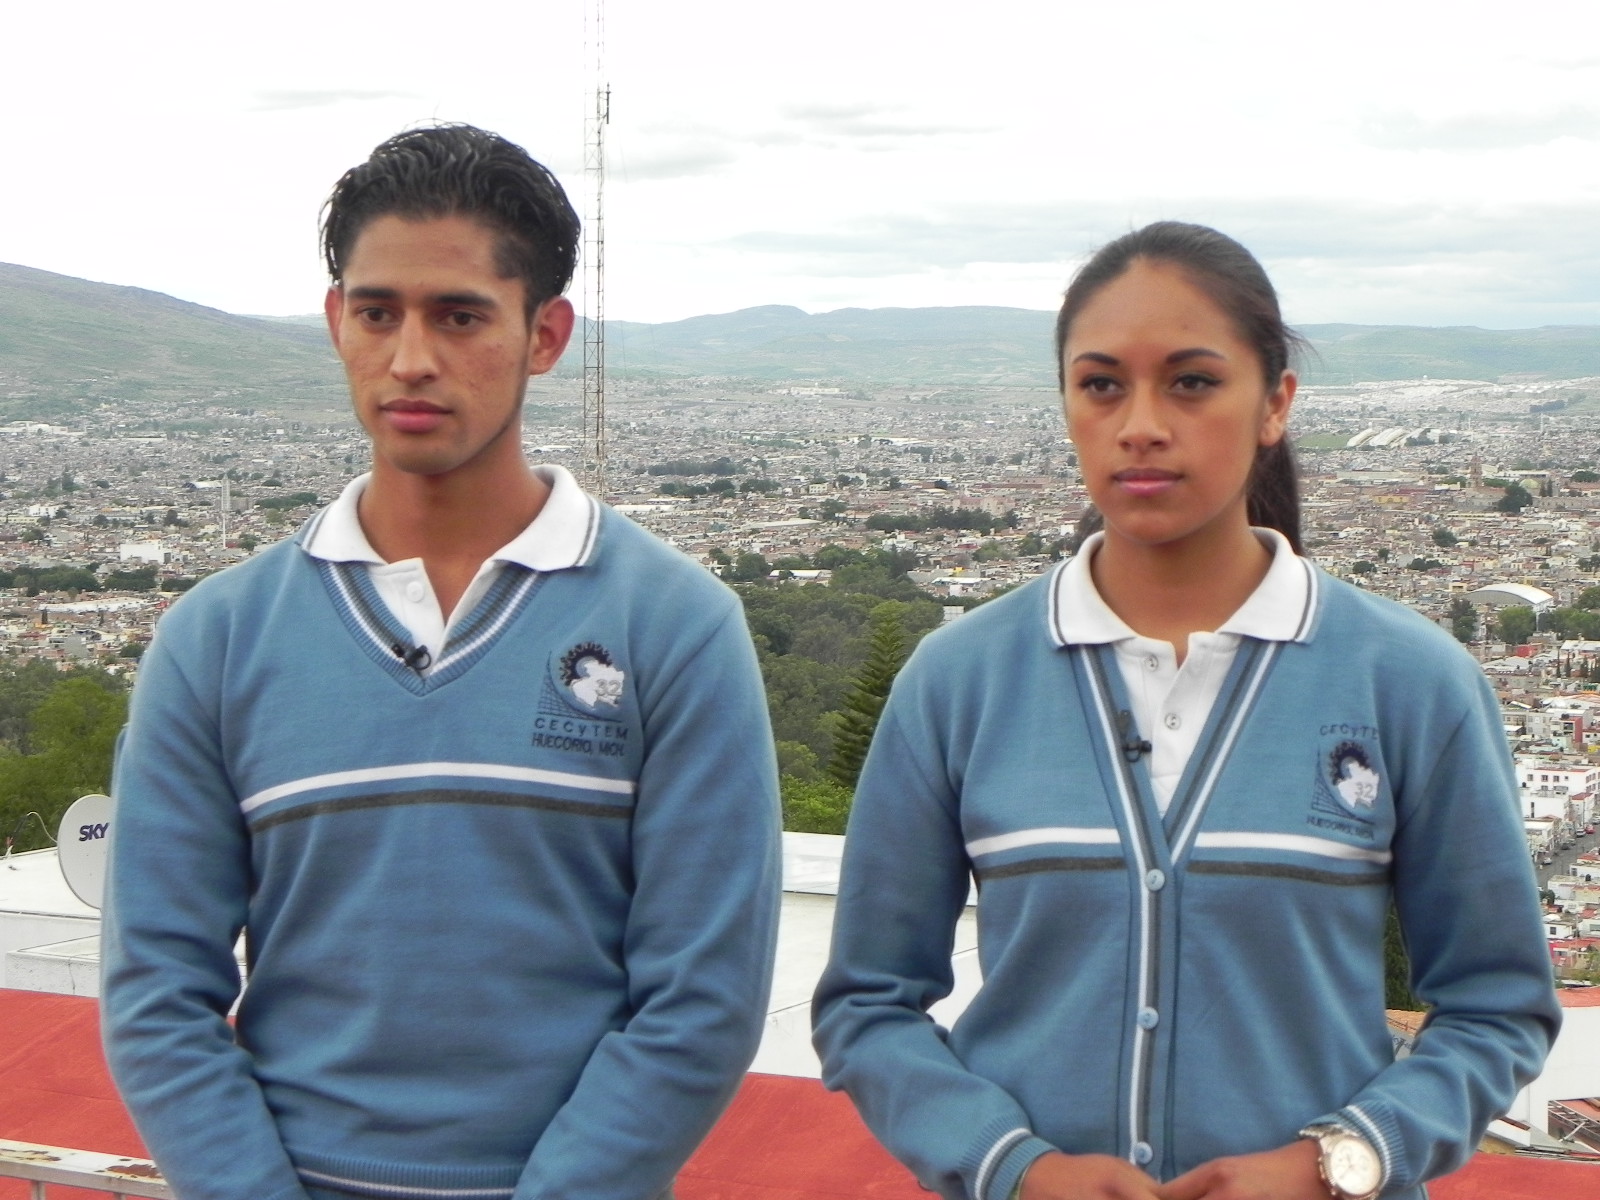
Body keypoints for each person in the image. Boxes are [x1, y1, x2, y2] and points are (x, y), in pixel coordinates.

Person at [101, 124, 782, 1200]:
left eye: (459, 316)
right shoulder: (216, 640)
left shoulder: (676, 626)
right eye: (378, 312)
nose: (410, 357)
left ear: (545, 333)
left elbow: (701, 995)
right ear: (336, 323)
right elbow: (155, 989)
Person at [811, 222, 1559, 1200]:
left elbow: (1497, 1005)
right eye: (1102, 384)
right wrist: (1012, 1168)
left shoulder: (1409, 683)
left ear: (1275, 402)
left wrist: (1335, 1162)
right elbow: (867, 1002)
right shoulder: (957, 683)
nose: (1141, 425)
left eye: (1192, 382)